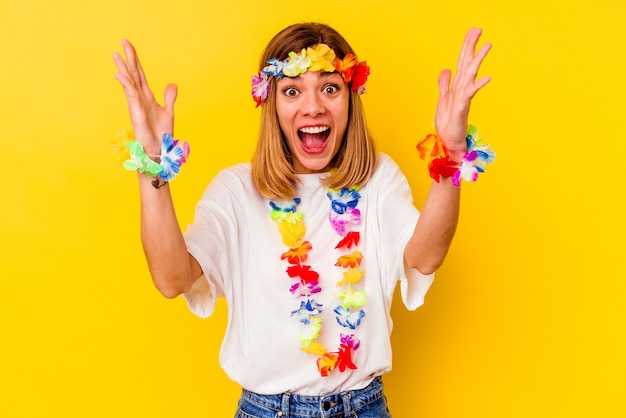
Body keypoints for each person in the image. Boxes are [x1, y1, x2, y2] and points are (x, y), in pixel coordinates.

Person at [113, 22, 493, 418]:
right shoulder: (236, 190)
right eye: (292, 91)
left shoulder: (377, 179)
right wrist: (152, 166)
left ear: (350, 97)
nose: (313, 107)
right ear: (271, 104)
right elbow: (172, 279)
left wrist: (450, 155)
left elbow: (425, 255)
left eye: (329, 88)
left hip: (362, 407)